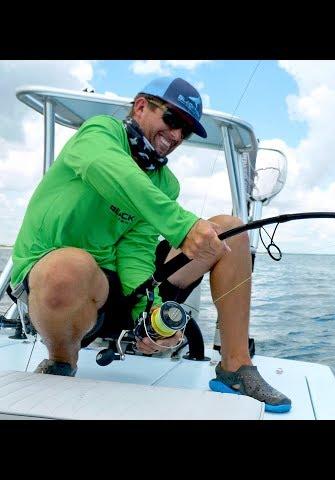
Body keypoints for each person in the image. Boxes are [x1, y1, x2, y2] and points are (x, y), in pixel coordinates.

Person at [9, 76, 291, 413]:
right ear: (141, 106)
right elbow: (107, 169)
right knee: (70, 267)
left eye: (185, 132)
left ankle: (235, 367)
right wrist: (182, 225)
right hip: (52, 282)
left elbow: (136, 249)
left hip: (112, 283)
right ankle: (61, 361)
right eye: (172, 120)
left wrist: (148, 315)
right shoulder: (99, 132)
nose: (176, 136)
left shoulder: (165, 182)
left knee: (229, 229)